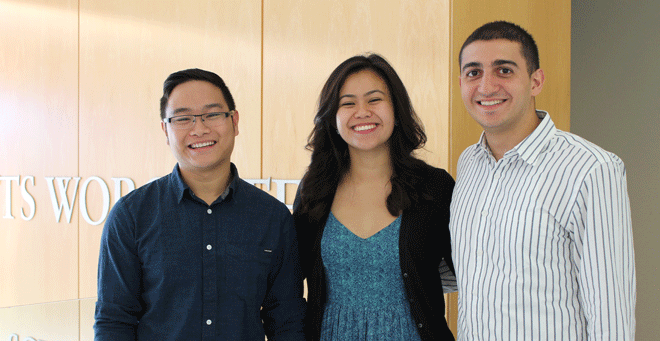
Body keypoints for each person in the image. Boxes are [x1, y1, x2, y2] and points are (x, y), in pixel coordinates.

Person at [450, 21, 636, 340]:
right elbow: (472, 271)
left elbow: (611, 313)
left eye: (504, 70)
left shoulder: (591, 168)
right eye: (473, 72)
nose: (486, 86)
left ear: (536, 81)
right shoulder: (469, 163)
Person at [94, 68, 306, 340]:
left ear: (235, 121)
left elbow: (288, 321)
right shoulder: (132, 216)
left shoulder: (272, 217)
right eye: (183, 118)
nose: (200, 129)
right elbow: (114, 321)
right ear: (165, 130)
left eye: (213, 114)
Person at [293, 53, 456, 341]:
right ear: (333, 117)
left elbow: (473, 270)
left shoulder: (435, 187)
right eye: (348, 103)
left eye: (374, 99)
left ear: (396, 109)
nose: (362, 112)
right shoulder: (314, 189)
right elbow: (289, 283)